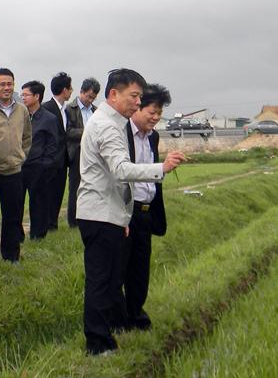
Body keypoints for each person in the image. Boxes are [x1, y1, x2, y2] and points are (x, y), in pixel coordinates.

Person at [77, 68, 186, 356]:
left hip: (108, 212)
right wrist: (161, 169)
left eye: (140, 97)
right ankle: (98, 344)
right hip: (100, 213)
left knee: (111, 279)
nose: (138, 104)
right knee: (102, 281)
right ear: (113, 94)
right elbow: (121, 169)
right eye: (134, 96)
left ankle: (105, 339)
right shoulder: (108, 126)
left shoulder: (111, 122)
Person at [122, 83, 171, 331]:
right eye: (152, 111)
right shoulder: (121, 133)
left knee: (140, 269)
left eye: (159, 113)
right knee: (119, 268)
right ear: (137, 107)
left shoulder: (154, 137)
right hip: (125, 210)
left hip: (146, 211)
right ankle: (119, 319)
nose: (156, 117)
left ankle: (136, 316)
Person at [0, 68, 32, 265]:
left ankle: (11, 256)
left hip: (14, 170)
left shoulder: (22, 110)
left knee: (13, 215)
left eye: (10, 84)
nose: (7, 88)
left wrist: (21, 157)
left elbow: (27, 137)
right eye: (2, 84)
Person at [21, 81, 58, 241]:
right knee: (16, 202)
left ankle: (38, 234)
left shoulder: (48, 118)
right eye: (22, 95)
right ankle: (17, 234)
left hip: (38, 166)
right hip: (20, 166)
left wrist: (45, 165)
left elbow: (52, 144)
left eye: (26, 95)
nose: (23, 98)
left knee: (38, 202)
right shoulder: (21, 115)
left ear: (37, 96)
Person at [65, 78, 100, 228]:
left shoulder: (96, 111)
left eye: (93, 98)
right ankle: (73, 221)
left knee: (93, 186)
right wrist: (87, 132)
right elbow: (68, 132)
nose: (90, 100)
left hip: (93, 154)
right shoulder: (69, 109)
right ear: (81, 92)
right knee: (75, 187)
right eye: (88, 96)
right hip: (76, 153)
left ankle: (90, 218)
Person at [42, 72, 73, 232]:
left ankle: (53, 224)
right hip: (50, 160)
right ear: (64, 90)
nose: (71, 91)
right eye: (70, 88)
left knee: (58, 194)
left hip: (62, 160)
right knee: (47, 194)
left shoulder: (66, 110)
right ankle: (46, 224)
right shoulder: (46, 108)